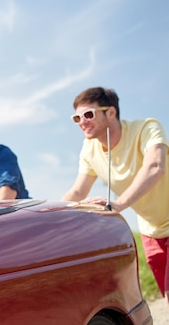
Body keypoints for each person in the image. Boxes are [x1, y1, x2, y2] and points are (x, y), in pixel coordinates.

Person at [62, 87, 169, 302]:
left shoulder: (146, 128)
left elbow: (156, 166)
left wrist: (118, 204)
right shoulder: (89, 149)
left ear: (111, 112)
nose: (82, 121)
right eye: (77, 117)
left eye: (88, 114)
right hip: (152, 230)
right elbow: (78, 191)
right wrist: (46, 215)